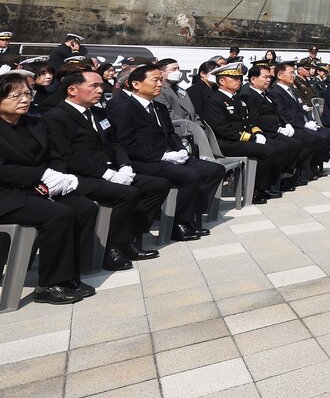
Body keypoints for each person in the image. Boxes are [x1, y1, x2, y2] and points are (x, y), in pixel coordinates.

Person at [39, 70, 171, 270]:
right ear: (72, 90)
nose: (100, 90)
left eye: (101, 85)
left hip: (110, 170)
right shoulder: (56, 117)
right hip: (79, 176)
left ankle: (127, 238)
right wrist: (106, 174)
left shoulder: (99, 112)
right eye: (94, 86)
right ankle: (109, 246)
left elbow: (115, 143)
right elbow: (68, 156)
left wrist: (125, 165)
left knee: (158, 185)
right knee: (128, 194)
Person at [0, 71, 98, 304]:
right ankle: (49, 284)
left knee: (84, 207)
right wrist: (39, 175)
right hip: (6, 192)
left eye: (27, 93)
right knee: (59, 215)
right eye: (15, 96)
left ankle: (71, 274)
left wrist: (58, 177)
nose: (24, 99)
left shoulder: (35, 122)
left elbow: (54, 154)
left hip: (39, 187)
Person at [107, 63, 224, 239]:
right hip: (143, 160)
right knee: (190, 176)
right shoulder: (123, 107)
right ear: (136, 84)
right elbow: (127, 143)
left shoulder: (158, 107)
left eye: (161, 80)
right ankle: (177, 223)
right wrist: (163, 155)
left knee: (215, 170)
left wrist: (180, 149)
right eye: (155, 80)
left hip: (168, 156)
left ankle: (188, 215)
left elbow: (170, 133)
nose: (160, 84)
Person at [197, 62, 295, 204]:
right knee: (268, 151)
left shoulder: (237, 99)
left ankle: (268, 184)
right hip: (226, 143)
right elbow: (223, 129)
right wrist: (250, 138)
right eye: (234, 79)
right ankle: (255, 190)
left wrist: (257, 133)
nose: (238, 81)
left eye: (239, 78)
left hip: (240, 139)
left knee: (278, 146)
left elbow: (248, 121)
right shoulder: (215, 101)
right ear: (222, 81)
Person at [239, 64, 318, 188]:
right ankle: (271, 182)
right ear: (253, 79)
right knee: (284, 146)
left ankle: (283, 176)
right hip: (265, 131)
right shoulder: (248, 95)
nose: (268, 80)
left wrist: (286, 124)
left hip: (277, 128)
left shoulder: (267, 94)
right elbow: (257, 119)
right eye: (265, 77)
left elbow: (278, 112)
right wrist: (278, 129)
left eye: (269, 77)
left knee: (296, 144)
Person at [270, 61, 330, 177]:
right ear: (280, 75)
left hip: (303, 123)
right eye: (291, 73)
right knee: (317, 138)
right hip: (294, 126)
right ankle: (305, 169)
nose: (293, 75)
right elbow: (285, 114)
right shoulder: (275, 92)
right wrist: (304, 124)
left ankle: (314, 163)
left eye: (293, 73)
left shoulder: (291, 89)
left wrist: (310, 120)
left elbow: (301, 108)